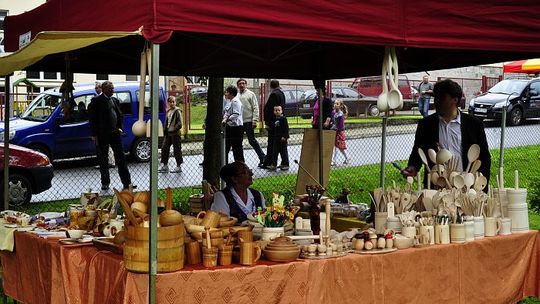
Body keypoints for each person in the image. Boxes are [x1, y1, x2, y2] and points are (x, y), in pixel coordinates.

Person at [401, 79, 491, 187]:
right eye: (435, 97)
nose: (436, 101)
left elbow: (484, 157)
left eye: (442, 98)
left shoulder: (474, 124)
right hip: (436, 187)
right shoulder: (426, 124)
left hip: (466, 186)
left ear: (455, 99)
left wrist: (480, 186)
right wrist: (412, 167)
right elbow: (418, 151)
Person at [88, 81, 134, 191]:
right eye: (110, 89)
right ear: (103, 89)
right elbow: (92, 118)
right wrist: (94, 134)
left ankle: (127, 183)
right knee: (103, 159)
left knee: (121, 158)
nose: (113, 90)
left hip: (115, 133)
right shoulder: (96, 101)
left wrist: (119, 127)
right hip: (102, 134)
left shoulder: (115, 100)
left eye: (113, 88)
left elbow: (119, 115)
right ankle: (105, 183)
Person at [237, 78, 266, 166]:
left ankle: (262, 157)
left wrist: (255, 120)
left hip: (248, 121)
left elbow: (255, 107)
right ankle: (241, 162)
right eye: (240, 84)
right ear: (238, 85)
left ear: (246, 84)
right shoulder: (236, 95)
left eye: (243, 83)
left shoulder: (251, 94)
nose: (242, 85)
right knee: (238, 142)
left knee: (252, 140)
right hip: (239, 122)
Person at [261, 79, 285, 168]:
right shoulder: (281, 93)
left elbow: (270, 110)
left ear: (271, 86)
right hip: (279, 122)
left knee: (271, 143)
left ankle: (269, 161)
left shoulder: (274, 94)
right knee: (279, 145)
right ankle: (282, 162)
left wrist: (267, 123)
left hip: (273, 123)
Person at [93, 82, 115, 169]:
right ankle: (106, 164)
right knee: (105, 149)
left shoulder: (112, 100)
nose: (96, 89)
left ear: (101, 88)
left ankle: (110, 162)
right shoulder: (97, 100)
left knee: (108, 148)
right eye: (95, 88)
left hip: (109, 131)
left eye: (97, 87)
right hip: (103, 131)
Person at [159, 96, 183, 173]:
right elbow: (166, 122)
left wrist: (173, 129)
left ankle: (178, 166)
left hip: (175, 134)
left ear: (175, 102)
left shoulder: (177, 111)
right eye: (170, 102)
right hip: (168, 134)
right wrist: (165, 129)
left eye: (173, 102)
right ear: (168, 103)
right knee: (164, 148)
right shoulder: (168, 111)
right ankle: (165, 165)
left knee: (177, 149)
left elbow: (180, 123)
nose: (172, 103)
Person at [222, 85, 244, 163]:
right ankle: (225, 163)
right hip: (230, 127)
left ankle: (240, 164)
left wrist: (226, 120)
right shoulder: (230, 101)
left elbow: (236, 114)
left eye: (227, 92)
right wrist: (225, 118)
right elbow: (227, 112)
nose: (226, 93)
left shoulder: (235, 101)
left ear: (231, 93)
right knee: (226, 147)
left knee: (237, 148)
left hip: (236, 127)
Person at [267, 105, 289, 171]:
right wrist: (269, 128)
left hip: (282, 139)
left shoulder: (283, 119)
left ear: (281, 111)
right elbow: (274, 129)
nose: (277, 112)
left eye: (279, 110)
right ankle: (273, 164)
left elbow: (286, 129)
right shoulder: (275, 119)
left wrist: (285, 136)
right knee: (274, 152)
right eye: (276, 110)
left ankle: (285, 164)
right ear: (274, 111)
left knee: (283, 152)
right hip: (276, 138)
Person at [331, 99, 350, 165]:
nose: (335, 105)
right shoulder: (333, 112)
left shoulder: (340, 115)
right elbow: (332, 121)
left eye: (337, 104)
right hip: (335, 132)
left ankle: (346, 157)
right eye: (334, 103)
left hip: (340, 133)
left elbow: (341, 126)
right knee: (336, 147)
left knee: (340, 147)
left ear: (340, 106)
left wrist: (334, 128)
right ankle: (334, 160)